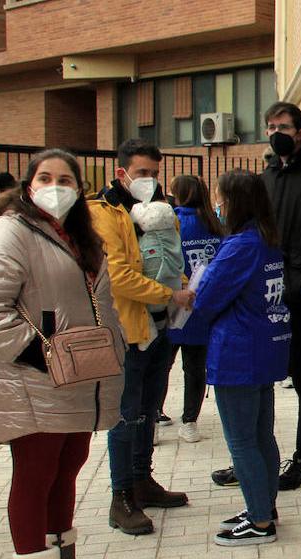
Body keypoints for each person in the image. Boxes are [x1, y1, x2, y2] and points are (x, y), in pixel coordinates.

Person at [0, 149, 126, 559]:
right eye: (46, 177)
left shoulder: (77, 236)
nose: (56, 186)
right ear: (30, 184)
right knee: (35, 474)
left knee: (68, 464)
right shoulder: (12, 231)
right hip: (35, 378)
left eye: (65, 178)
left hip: (77, 377)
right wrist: (42, 354)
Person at [211, 101, 301, 492]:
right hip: (267, 295)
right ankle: (253, 459)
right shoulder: (269, 175)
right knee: (261, 374)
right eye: (271, 125)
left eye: (284, 125)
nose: (277, 131)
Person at [90, 139, 194, 535]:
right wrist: (171, 294)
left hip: (163, 324)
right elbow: (117, 276)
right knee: (126, 414)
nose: (150, 180)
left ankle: (142, 480)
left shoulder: (162, 210)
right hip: (127, 329)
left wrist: (183, 288)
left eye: (155, 172)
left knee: (149, 409)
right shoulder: (102, 214)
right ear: (122, 173)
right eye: (143, 172)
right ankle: (122, 498)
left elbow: (174, 257)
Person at [182, 169, 290, 545]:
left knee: (242, 441)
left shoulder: (240, 245)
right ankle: (264, 505)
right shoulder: (267, 239)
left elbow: (207, 298)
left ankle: (260, 521)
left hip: (238, 354)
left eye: (221, 198)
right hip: (264, 348)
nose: (217, 205)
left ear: (235, 202)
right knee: (261, 435)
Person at [163, 175, 224, 443]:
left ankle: (154, 413)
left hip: (173, 302)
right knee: (195, 367)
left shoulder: (171, 223)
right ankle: (190, 421)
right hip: (202, 306)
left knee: (162, 364)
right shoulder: (215, 224)